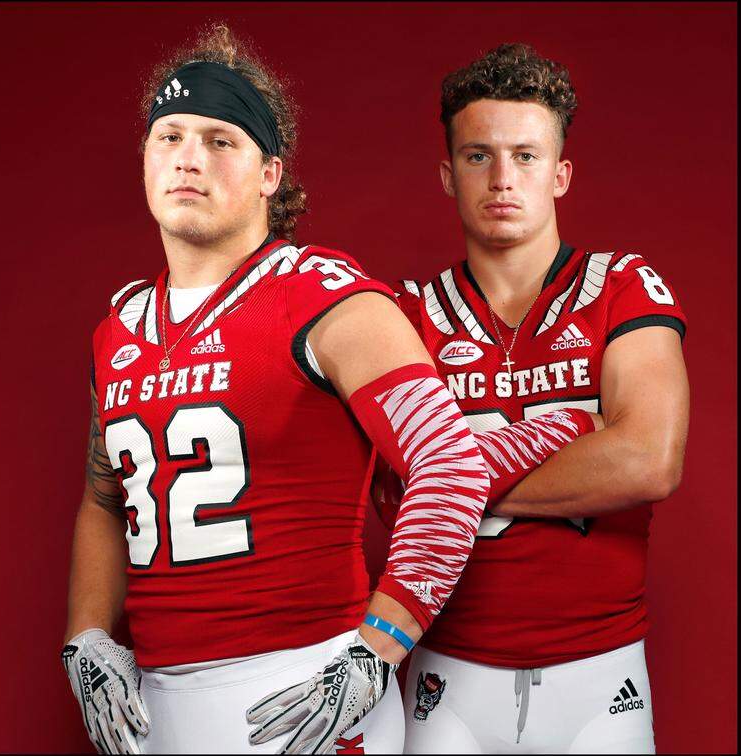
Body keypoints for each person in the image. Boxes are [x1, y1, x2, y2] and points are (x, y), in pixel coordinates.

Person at [59, 25, 608, 755]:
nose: (189, 157)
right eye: (170, 136)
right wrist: (86, 637)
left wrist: (378, 647)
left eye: (221, 140)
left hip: (305, 690)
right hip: (156, 705)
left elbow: (447, 468)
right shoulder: (120, 325)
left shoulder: (327, 298)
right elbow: (105, 495)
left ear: (269, 173)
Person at [386, 43, 689, 754]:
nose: (501, 178)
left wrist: (448, 482)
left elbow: (649, 459)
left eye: (525, 156)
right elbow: (384, 482)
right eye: (477, 156)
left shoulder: (621, 286)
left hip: (600, 671)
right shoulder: (405, 316)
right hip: (446, 671)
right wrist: (584, 440)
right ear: (447, 173)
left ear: (560, 173)